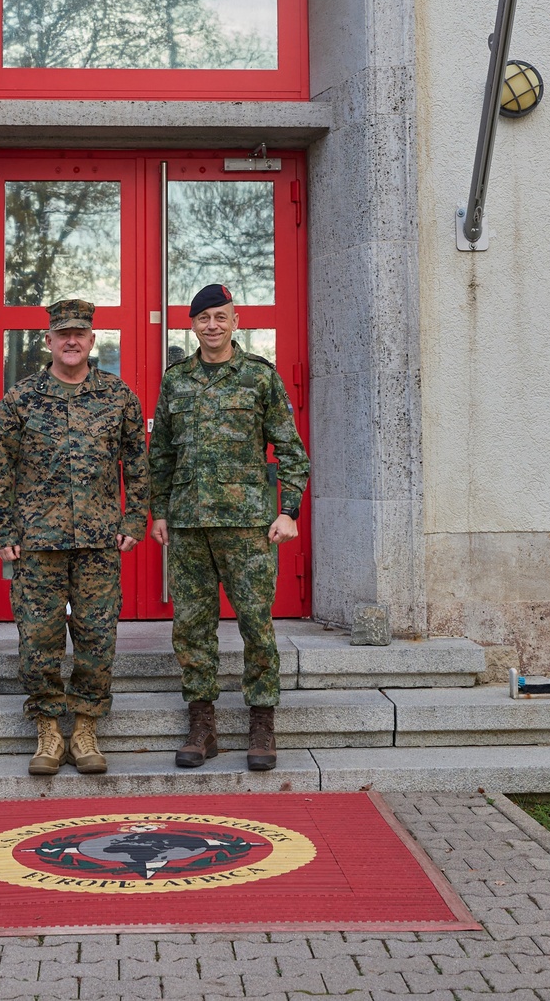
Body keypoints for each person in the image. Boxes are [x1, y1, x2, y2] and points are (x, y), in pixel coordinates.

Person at [0, 298, 148, 777]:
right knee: (39, 639)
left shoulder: (118, 398)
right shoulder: (21, 399)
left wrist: (134, 520)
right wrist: (3, 531)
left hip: (98, 541)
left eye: (80, 334)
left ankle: (88, 727)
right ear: (49, 341)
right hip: (37, 544)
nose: (71, 341)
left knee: (97, 637)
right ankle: (50, 730)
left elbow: (137, 465)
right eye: (63, 334)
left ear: (92, 341)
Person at [149, 284, 310, 771]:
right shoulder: (176, 380)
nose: (212, 326)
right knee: (192, 628)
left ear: (235, 322)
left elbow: (291, 450)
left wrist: (290, 511)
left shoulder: (260, 377)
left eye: (221, 317)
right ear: (192, 326)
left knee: (256, 626)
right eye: (203, 319)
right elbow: (161, 455)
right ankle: (203, 725)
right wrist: (158, 511)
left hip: (248, 528)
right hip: (190, 525)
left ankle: (262, 724)